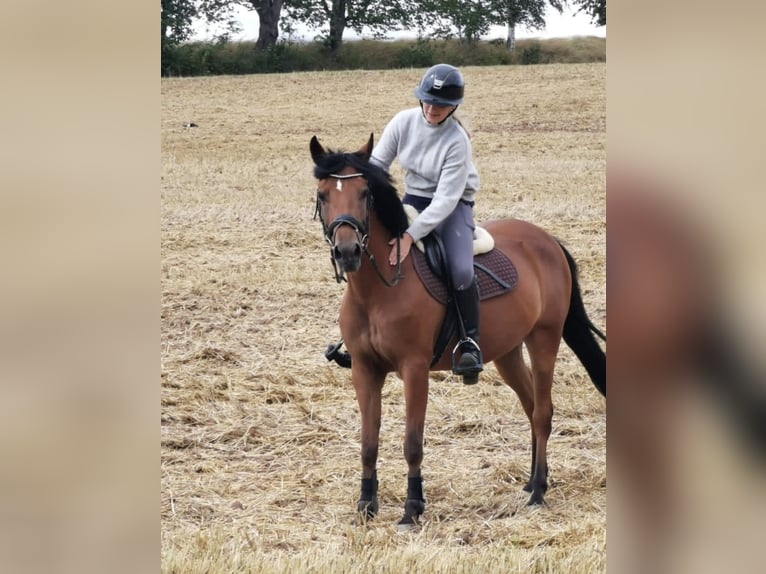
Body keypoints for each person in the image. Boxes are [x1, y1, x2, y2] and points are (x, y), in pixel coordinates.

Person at [370, 63, 483, 384]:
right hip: (415, 199)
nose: (433, 109)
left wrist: (409, 235)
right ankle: (365, 334)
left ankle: (469, 341)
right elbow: (377, 166)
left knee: (460, 268)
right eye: (428, 101)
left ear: (454, 107)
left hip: (454, 204)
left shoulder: (457, 140)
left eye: (442, 104)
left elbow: (446, 201)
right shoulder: (403, 121)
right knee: (376, 248)